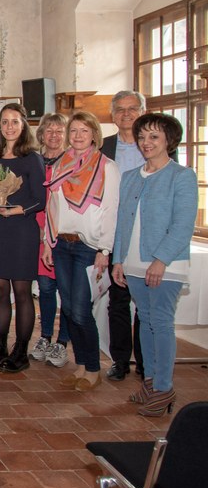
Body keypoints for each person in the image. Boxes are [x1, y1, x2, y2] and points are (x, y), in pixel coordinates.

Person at [112, 113, 197, 416]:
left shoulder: (182, 176)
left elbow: (183, 225)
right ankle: (149, 382)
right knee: (145, 322)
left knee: (160, 324)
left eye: (154, 137)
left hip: (165, 264)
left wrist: (161, 260)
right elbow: (122, 222)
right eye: (142, 137)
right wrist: (118, 259)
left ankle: (163, 388)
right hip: (133, 263)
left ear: (169, 141)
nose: (146, 142)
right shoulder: (130, 176)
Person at [42, 111, 119, 391]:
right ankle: (81, 365)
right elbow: (52, 206)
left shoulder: (106, 167)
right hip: (62, 244)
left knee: (81, 310)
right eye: (73, 130)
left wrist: (105, 250)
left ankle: (94, 369)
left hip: (89, 247)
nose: (77, 136)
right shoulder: (61, 165)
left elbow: (111, 211)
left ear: (94, 134)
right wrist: (48, 242)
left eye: (84, 131)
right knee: (68, 308)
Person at [0, 103, 46, 373]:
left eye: (14, 121)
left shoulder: (32, 158)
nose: (9, 127)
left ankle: (20, 351)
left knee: (21, 292)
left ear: (23, 125)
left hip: (21, 230)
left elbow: (40, 199)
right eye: (4, 122)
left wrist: (14, 210)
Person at [101, 91, 151, 381]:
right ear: (113, 115)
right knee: (118, 300)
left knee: (144, 302)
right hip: (115, 231)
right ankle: (120, 360)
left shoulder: (157, 144)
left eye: (132, 108)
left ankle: (145, 363)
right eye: (120, 109)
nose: (126, 114)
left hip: (146, 232)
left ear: (143, 111)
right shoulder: (104, 146)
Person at [30, 113, 71, 368]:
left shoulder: (72, 162)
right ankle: (45, 336)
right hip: (37, 232)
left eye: (59, 131)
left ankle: (62, 342)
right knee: (45, 288)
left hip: (63, 233)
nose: (54, 135)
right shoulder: (34, 161)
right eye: (49, 130)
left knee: (66, 290)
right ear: (41, 134)